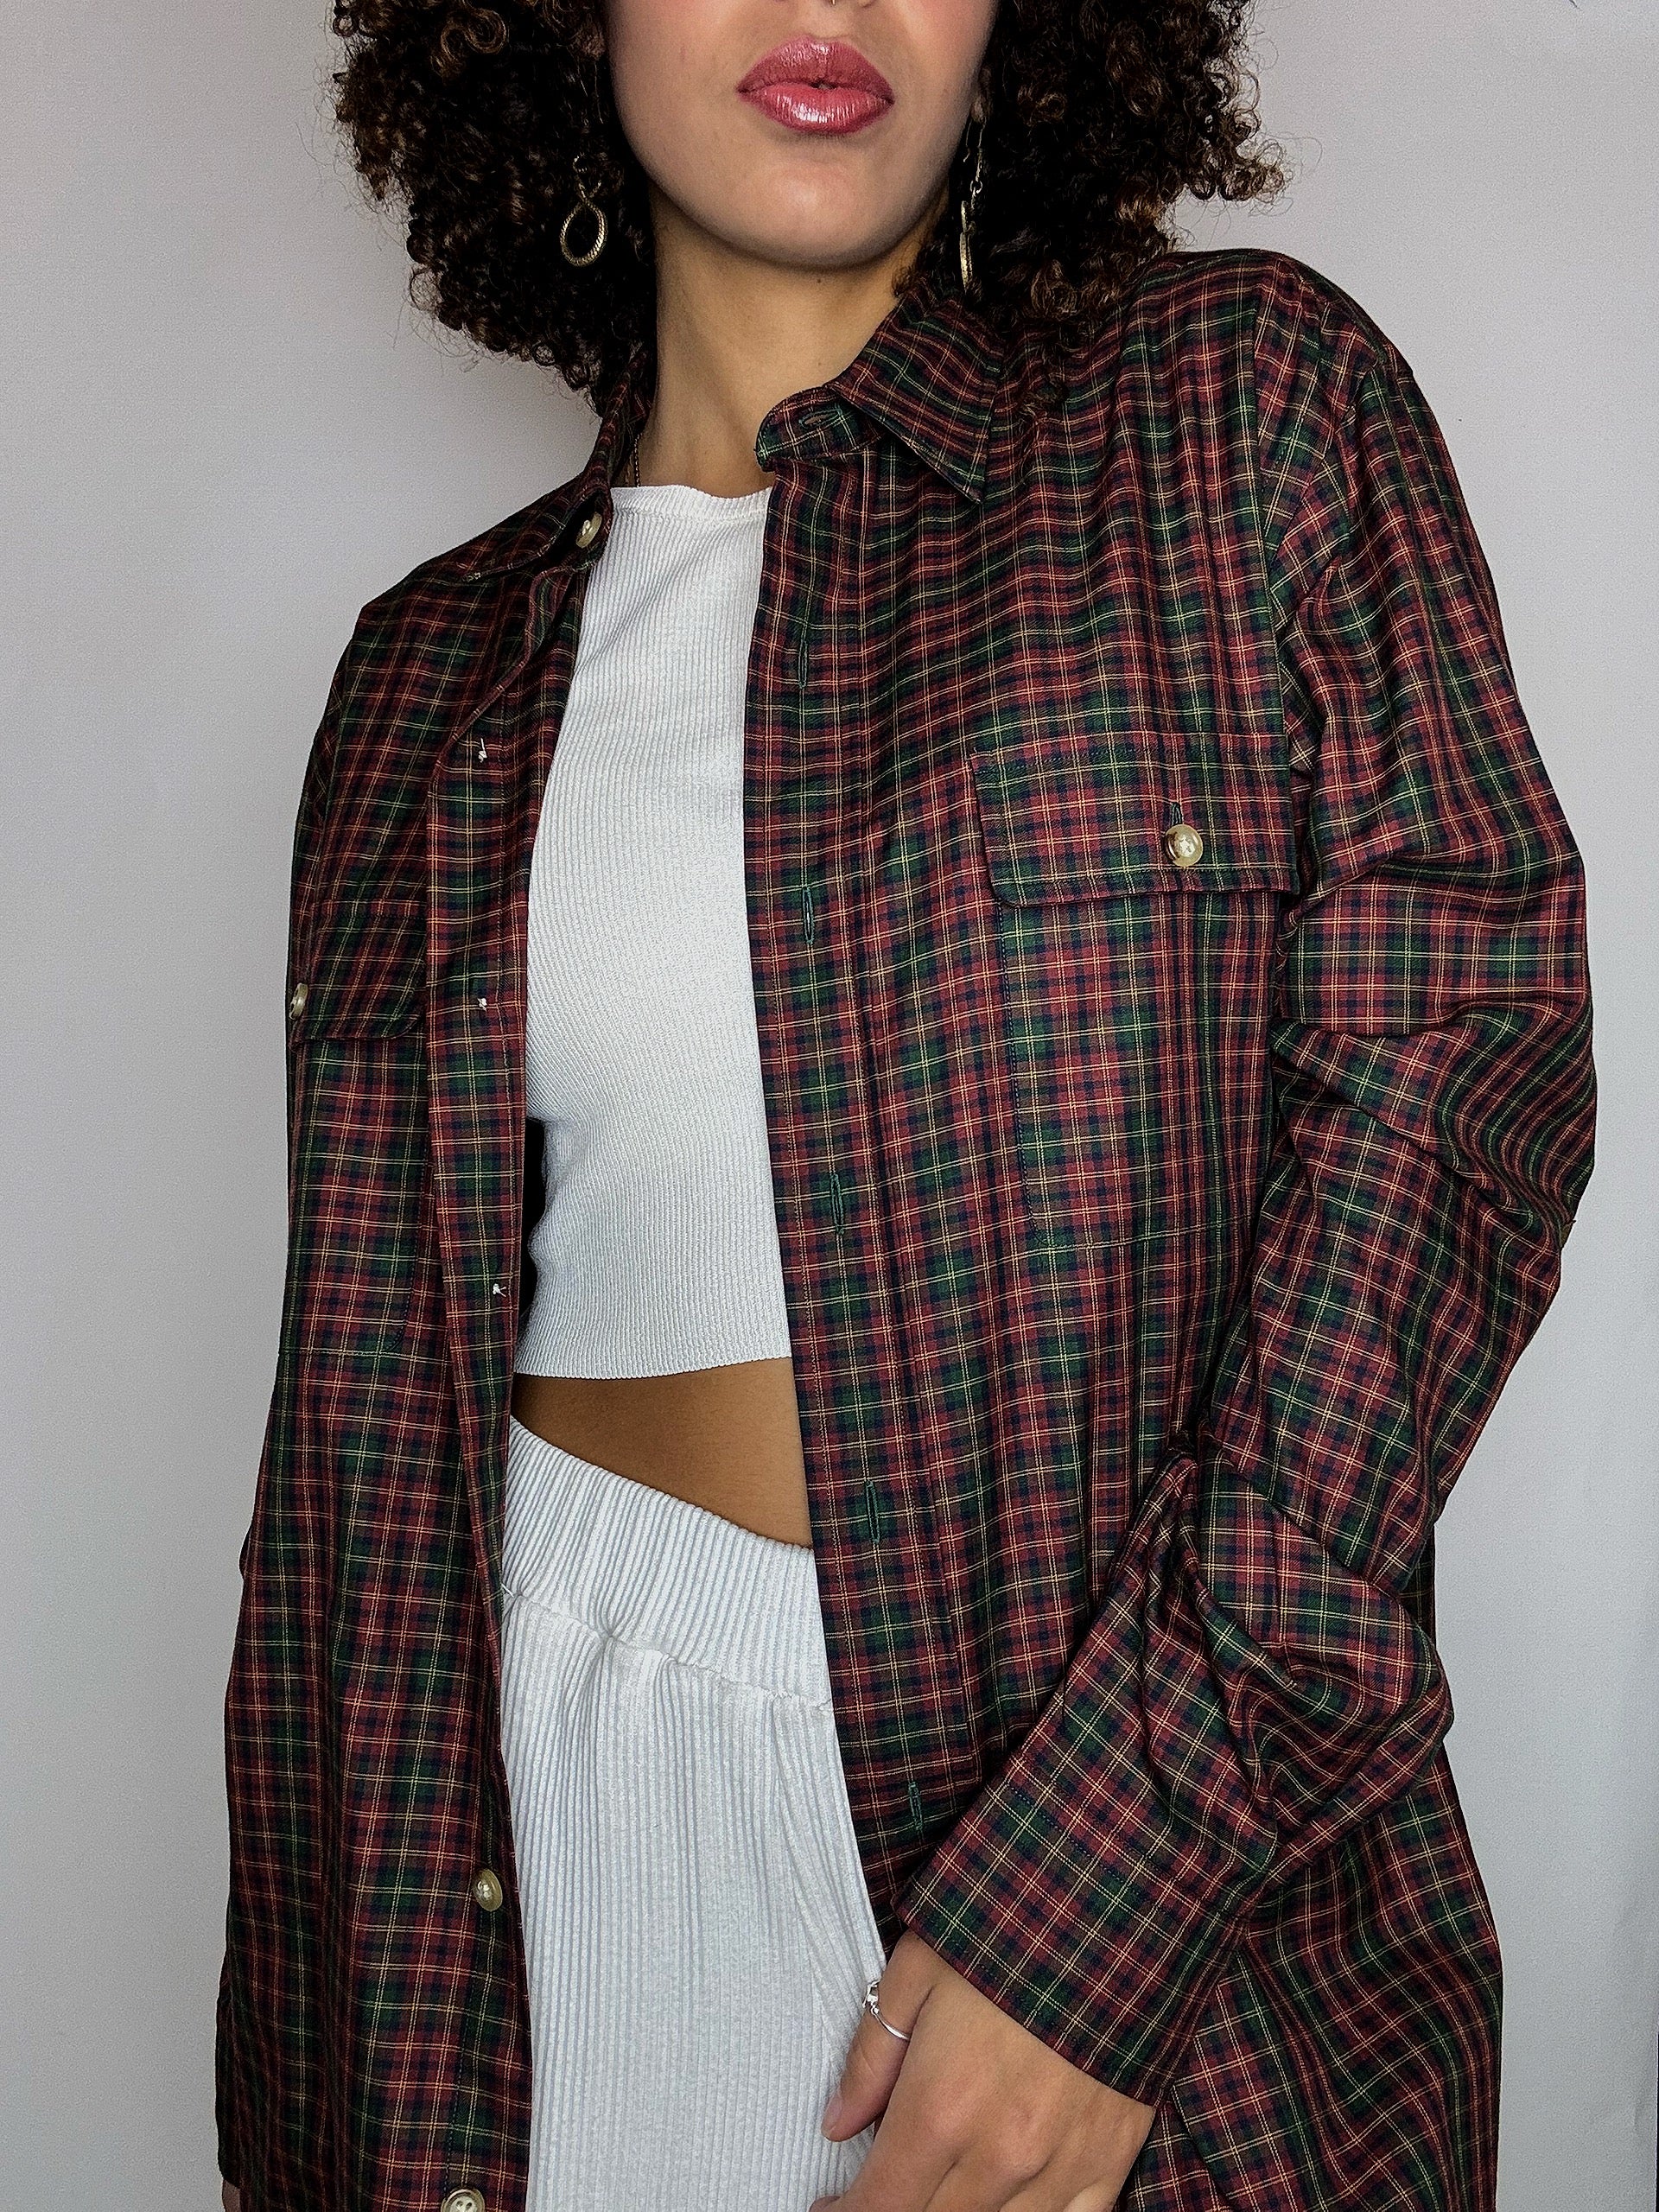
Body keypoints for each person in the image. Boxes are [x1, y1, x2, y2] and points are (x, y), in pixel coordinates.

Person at [214, 1, 1597, 2207]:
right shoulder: (422, 676)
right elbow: (358, 1472)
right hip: (539, 1841)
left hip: (1109, 1827)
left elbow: (1460, 1102)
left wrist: (1106, 1895)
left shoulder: (1238, 414)